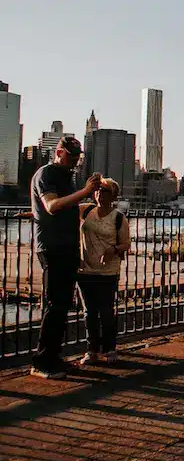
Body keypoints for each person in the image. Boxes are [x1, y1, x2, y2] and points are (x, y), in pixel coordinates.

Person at [30, 136, 102, 379]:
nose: (75, 161)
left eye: (78, 157)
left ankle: (53, 357)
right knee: (55, 304)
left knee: (62, 305)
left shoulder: (66, 177)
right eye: (71, 156)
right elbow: (51, 206)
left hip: (67, 245)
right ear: (59, 152)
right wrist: (85, 191)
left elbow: (60, 206)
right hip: (53, 246)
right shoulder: (46, 174)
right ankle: (42, 362)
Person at [77, 178, 130, 365]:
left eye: (105, 191)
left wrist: (113, 250)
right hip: (85, 270)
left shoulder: (118, 218)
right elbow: (59, 212)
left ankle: (109, 349)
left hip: (108, 272)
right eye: (98, 190)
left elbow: (126, 243)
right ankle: (91, 350)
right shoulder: (86, 210)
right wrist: (33, 214)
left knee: (106, 312)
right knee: (89, 312)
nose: (100, 193)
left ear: (113, 196)